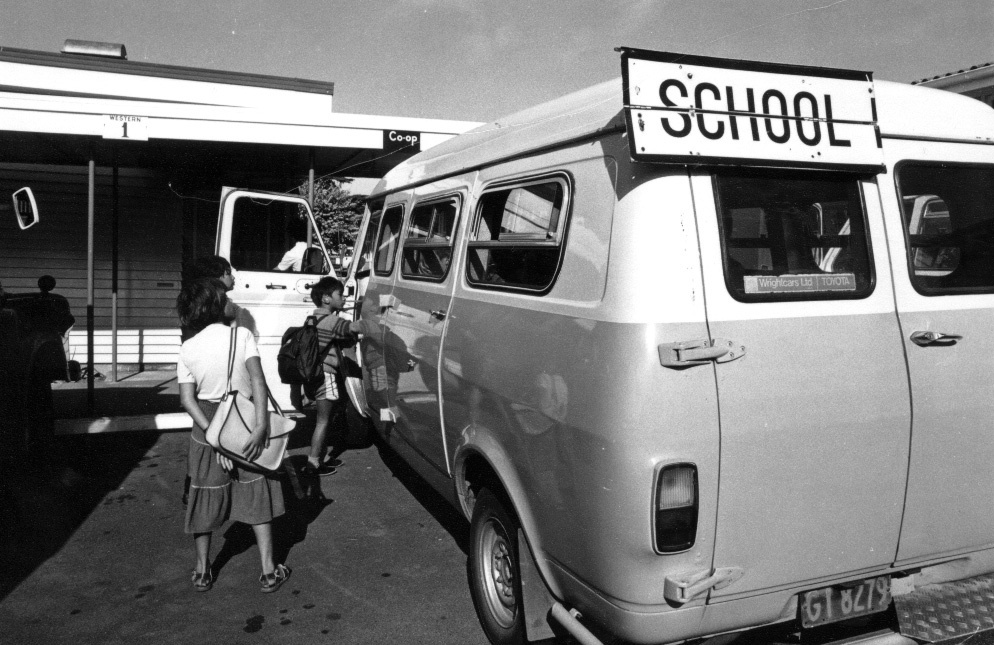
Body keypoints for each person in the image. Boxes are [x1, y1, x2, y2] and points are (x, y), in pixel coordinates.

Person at [175, 278, 290, 593]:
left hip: (206, 426)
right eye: (224, 297)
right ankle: (268, 571)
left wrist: (214, 437)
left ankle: (202, 570)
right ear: (214, 305)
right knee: (256, 490)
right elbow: (258, 381)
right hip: (244, 421)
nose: (231, 301)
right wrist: (262, 426)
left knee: (205, 493)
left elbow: (187, 399)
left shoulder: (188, 347)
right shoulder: (241, 336)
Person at [301, 277, 363, 477]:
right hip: (325, 375)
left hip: (313, 375)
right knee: (322, 421)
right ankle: (313, 464)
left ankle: (320, 457)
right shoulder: (331, 320)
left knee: (324, 418)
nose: (344, 298)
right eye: (340, 295)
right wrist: (376, 320)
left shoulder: (312, 319)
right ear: (326, 299)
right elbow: (353, 328)